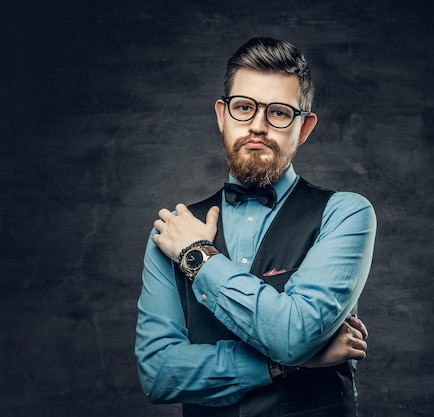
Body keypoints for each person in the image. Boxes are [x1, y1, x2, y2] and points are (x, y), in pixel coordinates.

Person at [135, 37, 377, 417]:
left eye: (279, 112)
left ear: (304, 127)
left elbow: (293, 335)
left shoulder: (345, 213)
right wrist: (283, 364)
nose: (258, 126)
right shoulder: (171, 232)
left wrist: (197, 257)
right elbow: (159, 375)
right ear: (222, 115)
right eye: (244, 108)